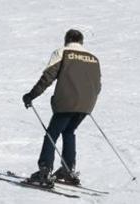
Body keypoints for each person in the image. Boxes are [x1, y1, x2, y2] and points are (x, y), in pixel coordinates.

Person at [21, 29, 102, 188]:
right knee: (69, 131)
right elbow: (98, 85)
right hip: (87, 105)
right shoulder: (94, 59)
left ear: (67, 40)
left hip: (66, 103)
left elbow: (47, 78)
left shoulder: (62, 52)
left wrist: (31, 95)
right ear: (81, 41)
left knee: (52, 134)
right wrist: (87, 100)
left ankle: (45, 171)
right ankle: (67, 169)